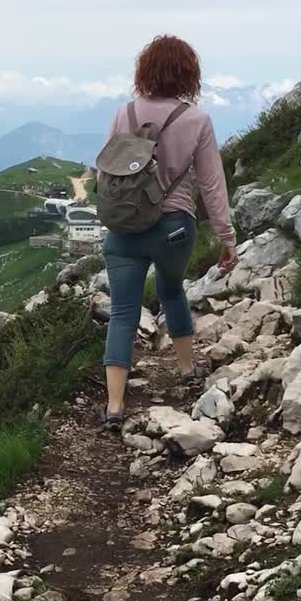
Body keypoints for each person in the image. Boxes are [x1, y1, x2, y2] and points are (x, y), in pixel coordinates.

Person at [100, 35, 237, 429]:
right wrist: (226, 238)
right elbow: (211, 184)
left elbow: (108, 170)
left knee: (123, 312)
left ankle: (113, 406)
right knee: (172, 290)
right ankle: (187, 369)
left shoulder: (123, 114)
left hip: (125, 227)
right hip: (174, 228)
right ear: (188, 74)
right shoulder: (196, 120)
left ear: (144, 70)